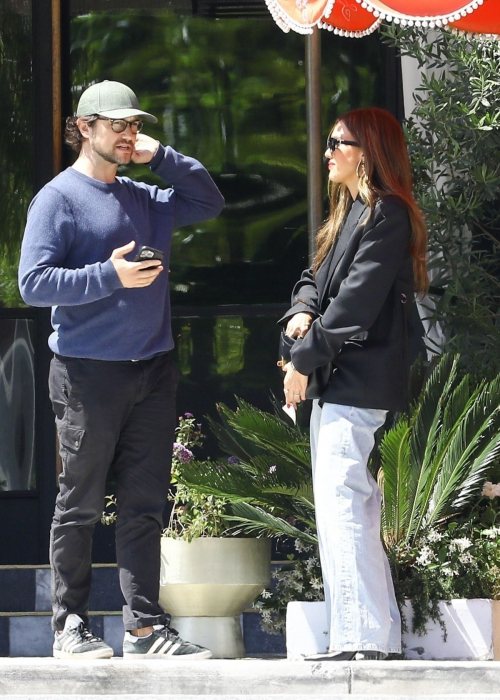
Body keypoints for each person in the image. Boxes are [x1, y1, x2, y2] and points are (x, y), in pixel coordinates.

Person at [18, 80, 224, 660]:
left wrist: (161, 156)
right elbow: (32, 285)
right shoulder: (57, 199)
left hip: (153, 369)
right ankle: (70, 627)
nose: (128, 134)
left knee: (144, 503)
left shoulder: (143, 194)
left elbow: (210, 202)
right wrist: (108, 276)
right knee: (79, 502)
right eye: (117, 125)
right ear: (83, 128)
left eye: (134, 125)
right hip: (86, 374)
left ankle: (144, 629)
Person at [280, 108, 428, 660]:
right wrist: (300, 311)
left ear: (366, 150)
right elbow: (313, 281)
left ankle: (362, 638)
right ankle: (373, 635)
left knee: (343, 504)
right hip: (341, 381)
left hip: (357, 381)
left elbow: (354, 307)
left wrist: (301, 361)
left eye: (337, 144)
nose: (328, 153)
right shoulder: (351, 214)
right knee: (352, 505)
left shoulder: (388, 214)